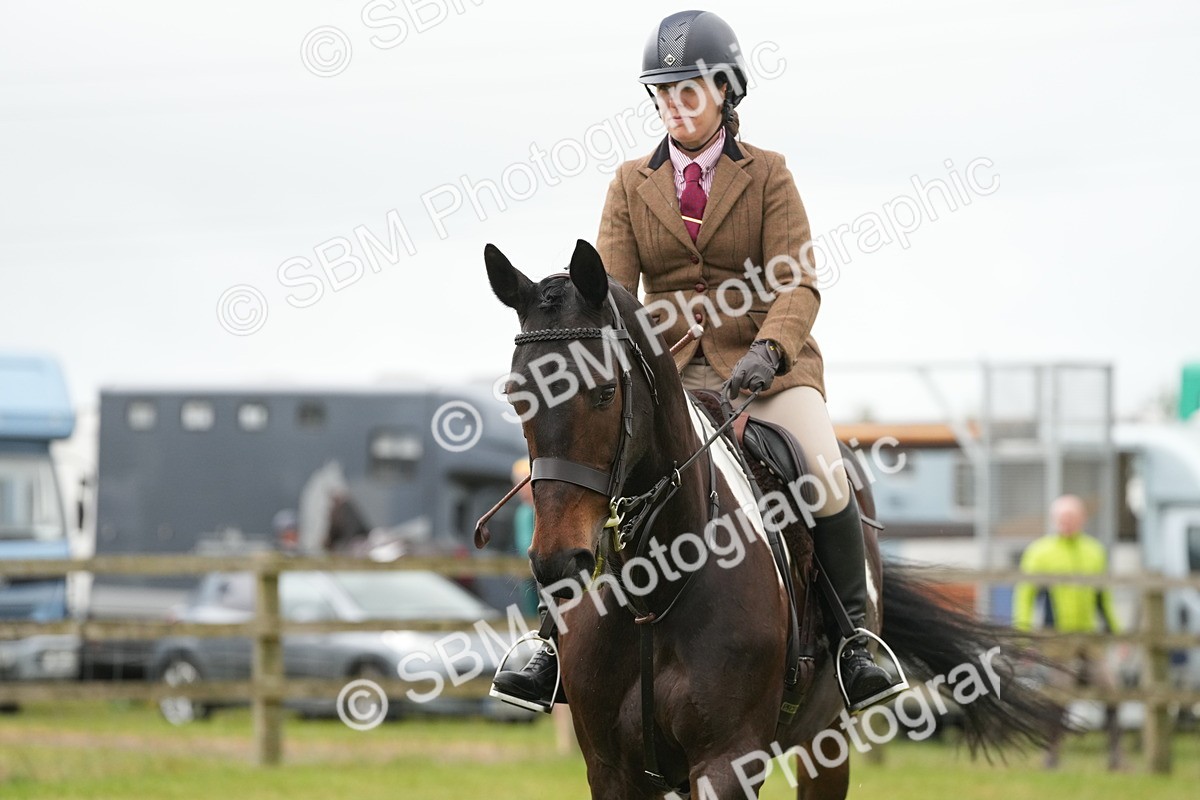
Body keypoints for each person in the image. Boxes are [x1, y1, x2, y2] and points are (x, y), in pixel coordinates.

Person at [492, 10, 904, 715]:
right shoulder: (629, 184)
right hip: (669, 374)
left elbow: (797, 280)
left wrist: (770, 352)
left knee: (824, 470)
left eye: (689, 91)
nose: (675, 106)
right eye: (663, 92)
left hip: (768, 370)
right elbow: (609, 297)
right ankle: (549, 646)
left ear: (725, 92)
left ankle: (856, 642)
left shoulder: (769, 174)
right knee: (597, 474)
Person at [1014, 494, 1123, 769]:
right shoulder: (1040, 552)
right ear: (1055, 520)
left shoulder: (1094, 551)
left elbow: (1103, 597)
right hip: (1057, 639)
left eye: (1072, 517)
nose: (1067, 522)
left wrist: (1117, 633)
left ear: (1082, 520)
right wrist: (1025, 638)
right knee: (1058, 694)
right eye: (1062, 518)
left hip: (1089, 636)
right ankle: (1052, 755)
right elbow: (1026, 597)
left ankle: (1116, 755)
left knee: (1110, 689)